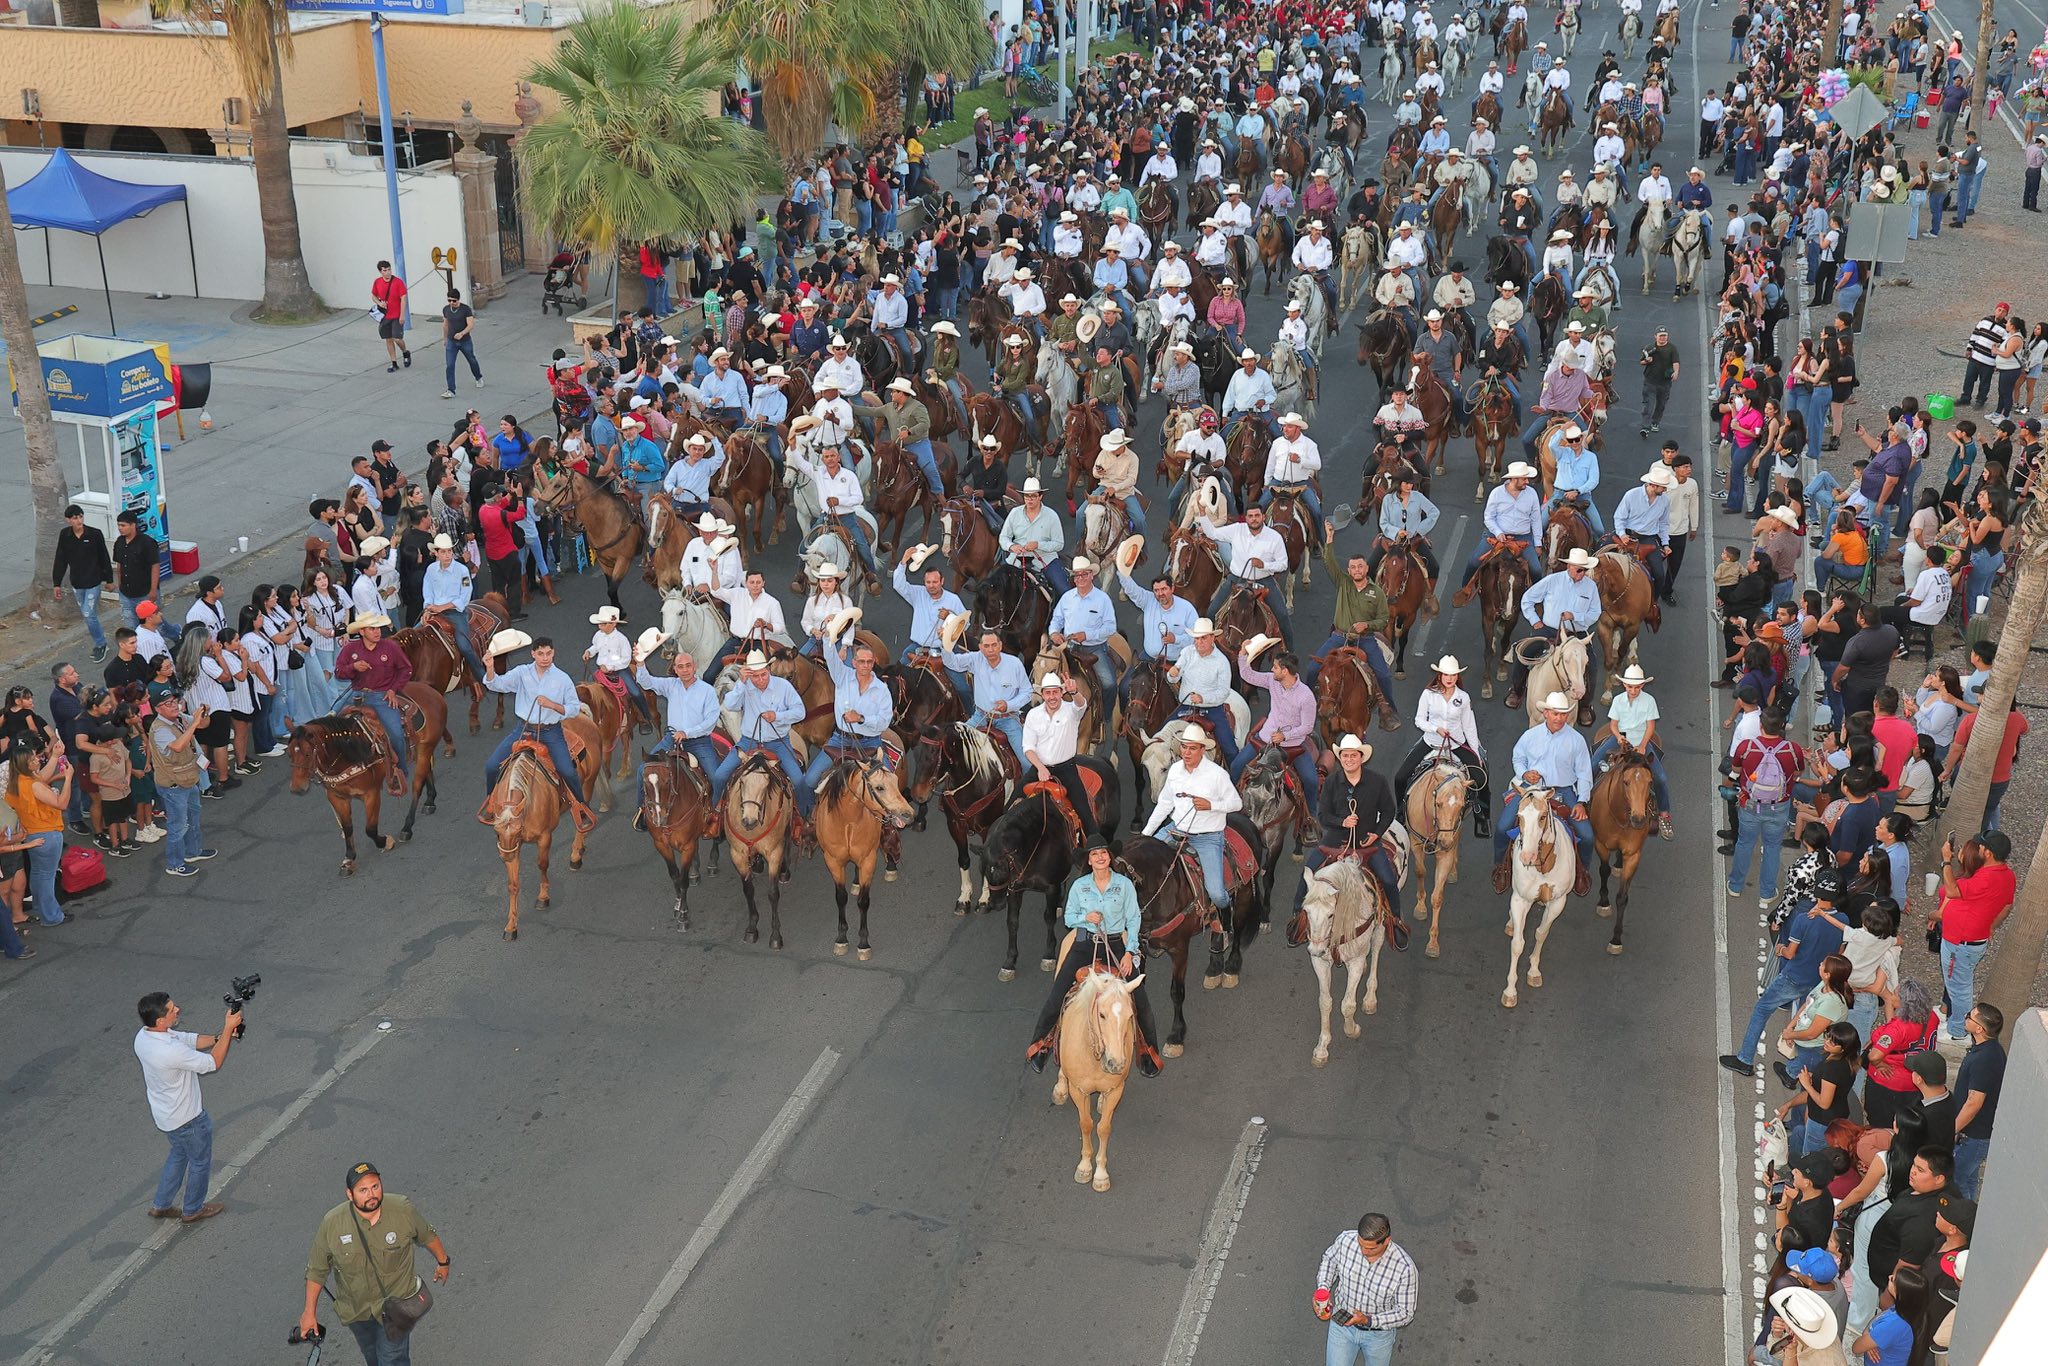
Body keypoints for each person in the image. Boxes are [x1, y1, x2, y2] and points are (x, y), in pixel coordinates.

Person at [1025, 837, 1163, 1076]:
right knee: (1056, 995)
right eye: (1095, 854)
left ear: (1109, 857)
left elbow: (1133, 919)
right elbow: (1068, 918)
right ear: (1089, 860)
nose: (1100, 857)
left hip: (1115, 946)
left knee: (1140, 999)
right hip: (1085, 945)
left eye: (1104, 853)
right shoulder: (1079, 886)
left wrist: (1130, 952)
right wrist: (1085, 919)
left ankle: (1147, 1052)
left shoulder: (1124, 885)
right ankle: (1041, 1045)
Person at [300, 1161, 450, 1366]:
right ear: (350, 1194)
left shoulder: (402, 1210)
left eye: (375, 1187)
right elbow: (317, 1270)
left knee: (392, 1360)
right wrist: (309, 1313)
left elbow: (427, 1236)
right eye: (363, 1190)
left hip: (397, 1306)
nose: (371, 1194)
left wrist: (443, 1261)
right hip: (357, 1311)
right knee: (373, 1357)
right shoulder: (332, 1224)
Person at [1721, 871, 1847, 1079]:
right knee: (1807, 1021)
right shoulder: (1843, 920)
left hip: (1795, 975)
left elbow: (1790, 953)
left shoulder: (1803, 920)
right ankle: (1793, 1070)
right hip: (1820, 980)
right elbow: (1840, 953)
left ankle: (1745, 1059)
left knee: (1762, 1009)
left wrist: (1780, 948)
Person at [133, 990, 238, 1223]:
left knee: (179, 1155)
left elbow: (188, 1039)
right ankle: (193, 1209)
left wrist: (220, 1037)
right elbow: (213, 1062)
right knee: (200, 1162)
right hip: (188, 1118)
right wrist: (229, 1029)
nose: (177, 1009)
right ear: (160, 1020)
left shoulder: (144, 1036)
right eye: (172, 1010)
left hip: (167, 1117)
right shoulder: (169, 1051)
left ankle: (161, 1205)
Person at [481, 637, 594, 829]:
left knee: (567, 770)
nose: (545, 658)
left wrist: (552, 705)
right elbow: (496, 685)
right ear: (533, 654)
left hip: (551, 732)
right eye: (540, 654)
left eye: (548, 653)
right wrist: (490, 668)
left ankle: (580, 806)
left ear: (553, 653)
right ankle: (492, 803)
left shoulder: (562, 678)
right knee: (491, 766)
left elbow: (574, 708)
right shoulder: (522, 673)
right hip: (523, 729)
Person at [1141, 722, 1243, 930]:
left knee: (1216, 892)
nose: (1186, 752)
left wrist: (1211, 805)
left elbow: (1236, 804)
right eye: (1184, 747)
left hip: (1207, 838)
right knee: (1143, 864)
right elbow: (1164, 805)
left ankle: (1226, 916)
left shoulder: (1217, 774)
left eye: (1192, 748)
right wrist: (1146, 836)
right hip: (1175, 830)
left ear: (1202, 749)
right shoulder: (1175, 770)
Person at [1493, 693, 1595, 892]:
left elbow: (1584, 773)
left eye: (1563, 714)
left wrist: (1581, 802)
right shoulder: (1530, 736)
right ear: (1546, 713)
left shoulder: (1577, 740)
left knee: (1587, 835)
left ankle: (1581, 871)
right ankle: (1501, 867)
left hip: (1563, 791)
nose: (1559, 718)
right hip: (1532, 791)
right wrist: (1524, 773)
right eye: (1555, 714)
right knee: (1502, 826)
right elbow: (1518, 758)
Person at [1927, 830, 2014, 1042]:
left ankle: (1957, 1031)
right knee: (1959, 982)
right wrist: (1991, 926)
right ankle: (1952, 1016)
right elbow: (2006, 906)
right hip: (1972, 940)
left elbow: (1952, 890)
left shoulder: (1985, 878)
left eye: (1982, 846)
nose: (1979, 848)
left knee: (1960, 988)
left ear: (1989, 853)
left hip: (1960, 942)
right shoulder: (2007, 874)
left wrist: (1946, 861)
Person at [1313, 1212, 1419, 1366]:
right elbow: (1330, 1261)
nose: (1363, 1251)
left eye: (1370, 1248)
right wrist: (1322, 1289)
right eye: (1361, 1244)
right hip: (1342, 1325)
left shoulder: (1405, 1269)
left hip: (1378, 1337)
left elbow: (1405, 1312)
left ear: (1386, 1241)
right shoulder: (1345, 1241)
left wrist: (1368, 1320)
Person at [1505, 547, 1602, 713]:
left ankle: (1585, 706)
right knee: (1524, 653)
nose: (1582, 574)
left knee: (1591, 666)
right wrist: (1535, 621)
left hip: (1576, 634)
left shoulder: (1591, 587)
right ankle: (1517, 689)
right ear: (1569, 567)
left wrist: (1575, 616)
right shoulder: (1552, 580)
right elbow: (1527, 599)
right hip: (1550, 630)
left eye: (1585, 570)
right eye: (1579, 570)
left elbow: (1595, 613)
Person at [1589, 664, 1674, 839]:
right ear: (1624, 686)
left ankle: (1664, 814)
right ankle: (1582, 803)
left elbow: (1651, 726)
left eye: (1636, 687)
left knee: (1661, 779)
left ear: (1642, 686)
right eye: (1630, 687)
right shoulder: (1618, 700)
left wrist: (1643, 745)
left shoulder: (1649, 701)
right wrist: (1619, 737)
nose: (1633, 690)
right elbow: (1613, 724)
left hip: (1642, 739)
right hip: (1621, 738)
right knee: (1592, 765)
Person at [1729, 709, 1804, 905]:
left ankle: (1735, 886)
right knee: (1772, 847)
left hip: (1751, 803)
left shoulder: (1747, 747)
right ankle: (1767, 891)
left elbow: (1736, 769)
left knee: (1744, 843)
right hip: (1779, 805)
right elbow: (1797, 774)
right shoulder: (1792, 749)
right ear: (1781, 726)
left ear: (1760, 725)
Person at [332, 614, 414, 787]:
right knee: (332, 726)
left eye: (378, 628)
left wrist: (393, 690)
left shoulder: (390, 647)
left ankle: (401, 770)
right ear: (362, 631)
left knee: (396, 735)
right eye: (372, 629)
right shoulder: (350, 650)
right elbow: (339, 673)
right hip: (356, 694)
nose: (377, 632)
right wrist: (353, 667)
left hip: (382, 696)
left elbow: (406, 669)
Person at [144, 691, 214, 877]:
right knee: (177, 825)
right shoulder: (159, 729)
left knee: (193, 816)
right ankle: (174, 864)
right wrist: (195, 724)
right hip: (173, 785)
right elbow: (178, 746)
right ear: (158, 709)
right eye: (168, 703)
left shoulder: (179, 718)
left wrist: (203, 714)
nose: (174, 705)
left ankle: (194, 851)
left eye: (174, 701)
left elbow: (204, 724)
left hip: (188, 778)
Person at [1021, 672, 1097, 837]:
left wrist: (1075, 692)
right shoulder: (1033, 715)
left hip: (1066, 769)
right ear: (1042, 694)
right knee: (1009, 808)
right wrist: (1040, 768)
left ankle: (1095, 847)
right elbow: (1028, 747)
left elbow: (1081, 705)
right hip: (1039, 769)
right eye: (1048, 693)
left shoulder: (1071, 711)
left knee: (1084, 812)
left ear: (1061, 693)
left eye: (1055, 692)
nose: (1052, 697)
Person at [1951, 1003, 2004, 1199]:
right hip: (1973, 1134)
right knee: (1969, 1178)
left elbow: (1974, 1102)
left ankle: (1963, 1224)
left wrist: (1952, 1129)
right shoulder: (1988, 1050)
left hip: (1973, 1136)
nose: (1965, 1017)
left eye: (1969, 1016)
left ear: (1979, 1029)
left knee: (1958, 1180)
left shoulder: (1985, 1059)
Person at [50, 504, 114, 663]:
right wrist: (56, 583)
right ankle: (100, 641)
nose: (78, 520)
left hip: (93, 581)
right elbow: (61, 559)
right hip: (77, 583)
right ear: (68, 520)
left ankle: (101, 643)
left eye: (80, 516)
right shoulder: (65, 535)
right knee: (87, 615)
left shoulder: (94, 534)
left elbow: (104, 557)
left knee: (88, 613)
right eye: (75, 518)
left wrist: (109, 580)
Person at [439, 288, 483, 399]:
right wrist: (445, 338)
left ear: (458, 300)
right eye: (449, 300)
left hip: (465, 341)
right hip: (451, 342)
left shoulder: (465, 310)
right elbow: (445, 325)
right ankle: (451, 389)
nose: (451, 303)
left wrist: (462, 333)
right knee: (450, 365)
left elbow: (471, 325)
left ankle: (478, 377)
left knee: (471, 359)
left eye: (453, 301)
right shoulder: (446, 310)